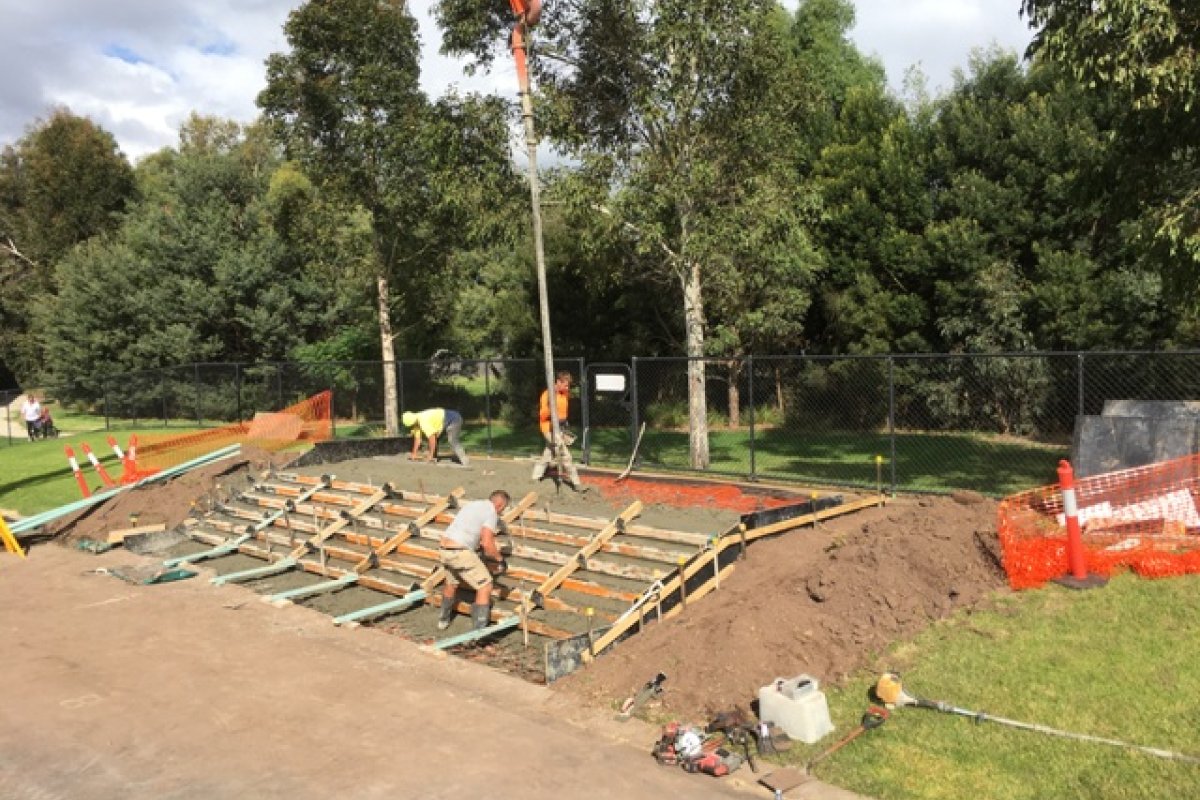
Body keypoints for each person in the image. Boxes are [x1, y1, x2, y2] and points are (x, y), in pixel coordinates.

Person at [437, 489, 510, 631]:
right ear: (500, 505)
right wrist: (499, 559)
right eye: (503, 509)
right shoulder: (491, 512)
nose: (501, 512)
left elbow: (468, 529)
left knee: (451, 583)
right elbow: (487, 543)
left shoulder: (472, 505)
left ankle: (443, 620)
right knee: (485, 586)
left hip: (444, 548)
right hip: (459, 551)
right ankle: (479, 631)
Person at [532, 371, 582, 487]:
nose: (567, 387)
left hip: (560, 427)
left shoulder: (563, 394)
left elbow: (563, 412)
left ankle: (535, 477)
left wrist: (564, 426)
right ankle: (576, 483)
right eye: (565, 385)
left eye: (568, 385)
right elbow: (542, 415)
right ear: (558, 382)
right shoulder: (548, 394)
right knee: (565, 455)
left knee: (548, 454)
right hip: (548, 428)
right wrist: (550, 407)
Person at [402, 407, 468, 465]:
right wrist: (414, 453)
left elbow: (432, 439)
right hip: (444, 421)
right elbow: (417, 439)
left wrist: (430, 456)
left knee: (452, 440)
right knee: (434, 437)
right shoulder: (416, 422)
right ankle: (433, 457)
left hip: (454, 419)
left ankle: (464, 460)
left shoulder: (424, 421)